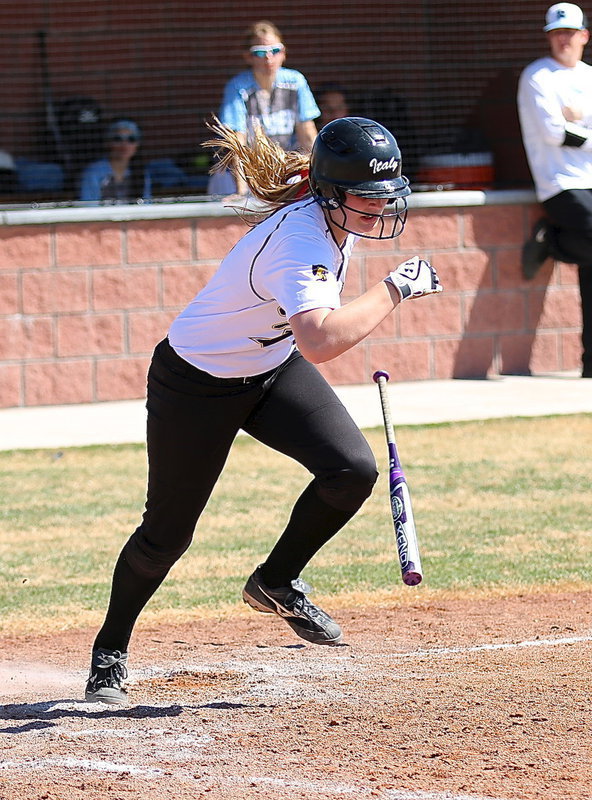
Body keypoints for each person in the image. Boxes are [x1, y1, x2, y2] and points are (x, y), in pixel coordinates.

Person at [84, 116, 443, 705]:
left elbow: (307, 338)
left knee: (352, 470)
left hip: (269, 370)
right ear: (329, 193)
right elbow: (321, 342)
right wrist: (395, 288)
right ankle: (110, 649)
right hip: (195, 382)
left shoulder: (336, 215)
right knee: (166, 535)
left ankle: (275, 581)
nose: (379, 211)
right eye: (367, 198)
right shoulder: (300, 240)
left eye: (386, 197)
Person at [518, 3, 592, 377]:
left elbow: (572, 132)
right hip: (560, 185)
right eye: (556, 33)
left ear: (584, 36)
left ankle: (590, 362)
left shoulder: (590, 77)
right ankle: (556, 241)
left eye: (569, 32)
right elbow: (553, 132)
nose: (563, 39)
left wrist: (576, 130)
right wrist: (576, 131)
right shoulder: (538, 76)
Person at [208, 20, 320, 197]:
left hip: (287, 170)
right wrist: (242, 191)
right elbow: (237, 142)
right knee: (222, 184)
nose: (269, 58)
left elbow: (307, 134)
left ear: (283, 53)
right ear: (248, 57)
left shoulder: (296, 81)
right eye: (259, 52)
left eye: (275, 50)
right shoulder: (238, 87)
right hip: (248, 173)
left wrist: (321, 177)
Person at [79, 118, 151, 204]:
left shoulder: (141, 174)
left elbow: (146, 206)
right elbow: (89, 207)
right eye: (118, 139)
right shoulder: (94, 172)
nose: (124, 145)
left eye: (131, 139)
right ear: (108, 142)